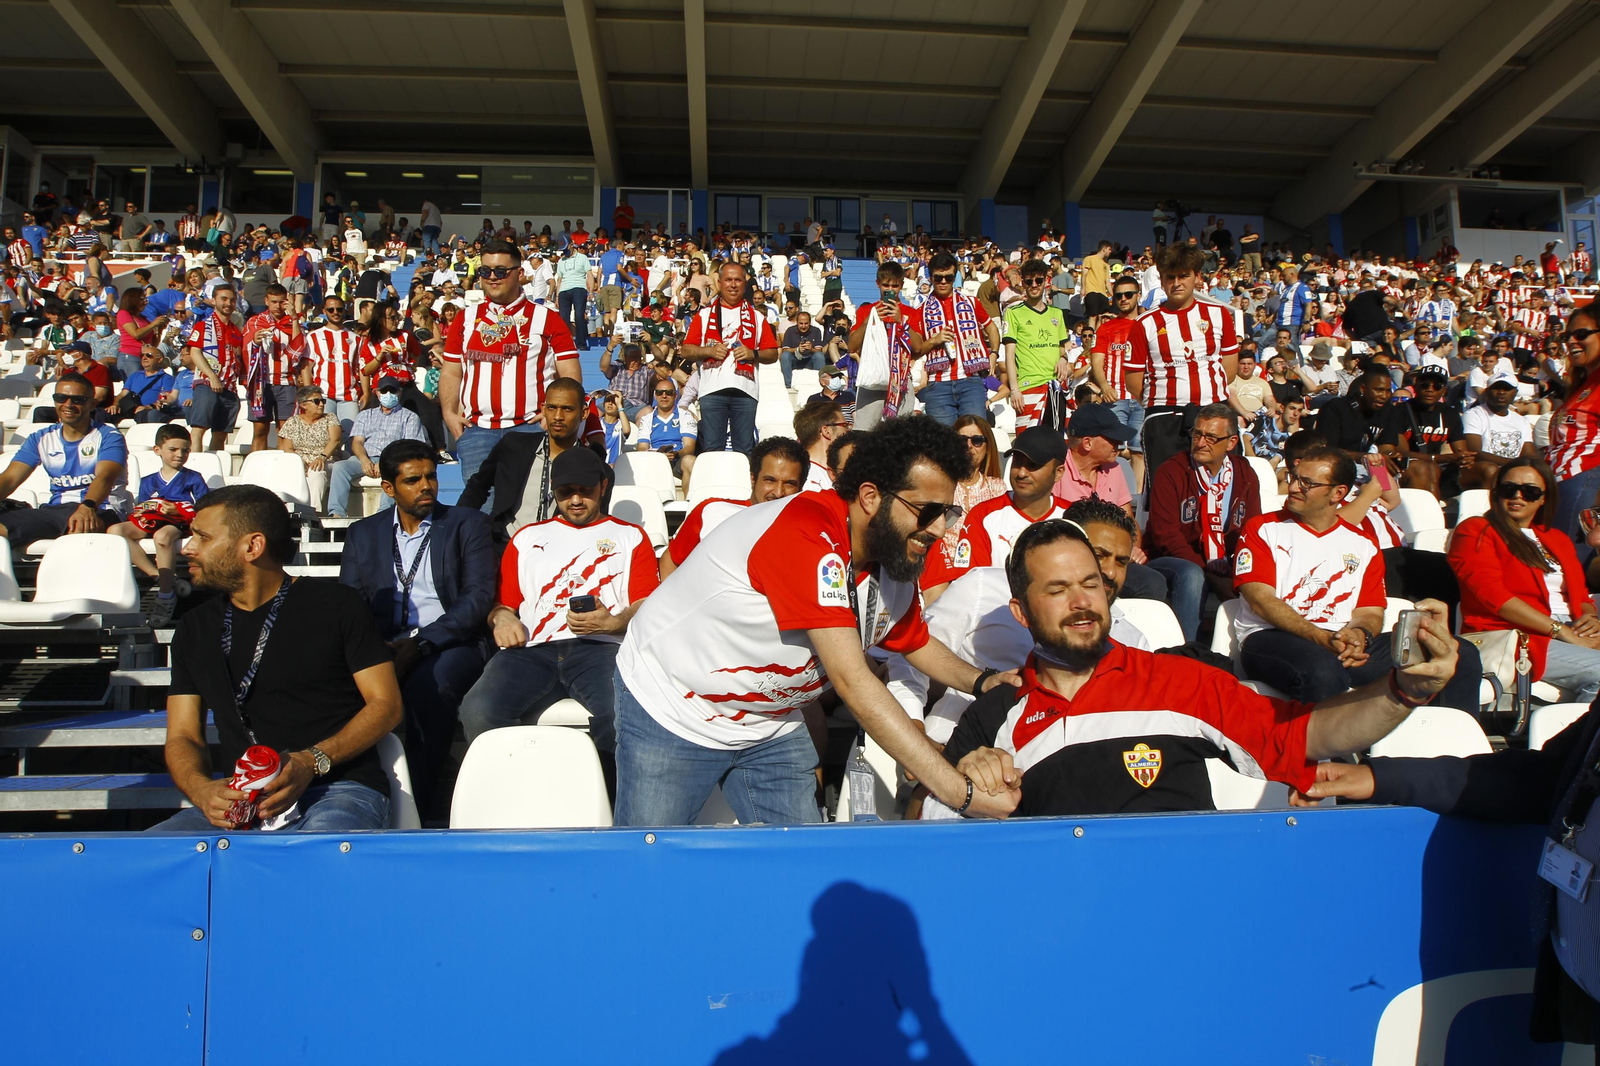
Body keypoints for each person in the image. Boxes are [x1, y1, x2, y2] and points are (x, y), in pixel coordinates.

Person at [613, 416, 1021, 826]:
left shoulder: (893, 551)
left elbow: (913, 641)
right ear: (870, 497)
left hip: (769, 725)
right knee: (647, 859)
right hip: (673, 708)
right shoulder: (806, 531)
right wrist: (960, 794)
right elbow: (852, 682)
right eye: (927, 511)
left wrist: (982, 681)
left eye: (947, 513)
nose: (937, 529)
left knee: (798, 864)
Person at [931, 519, 1462, 817]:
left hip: (1186, 918)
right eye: (1058, 589)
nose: (1083, 602)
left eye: (1091, 583)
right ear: (1021, 612)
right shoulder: (994, 715)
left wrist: (1402, 692)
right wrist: (972, 795)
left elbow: (1306, 736)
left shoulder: (1178, 682)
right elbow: (927, 826)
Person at [153, 485, 401, 832]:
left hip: (336, 788)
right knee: (147, 861)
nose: (188, 548)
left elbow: (386, 705)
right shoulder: (194, 627)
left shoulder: (336, 605)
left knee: (313, 859)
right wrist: (201, 789)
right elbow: (183, 735)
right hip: (241, 802)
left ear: (252, 546)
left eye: (203, 537)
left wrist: (310, 762)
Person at [460, 447, 658, 789]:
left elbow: (647, 603)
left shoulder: (630, 536)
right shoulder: (527, 537)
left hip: (603, 648)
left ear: (603, 486)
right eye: (566, 491)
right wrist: (501, 620)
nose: (576, 499)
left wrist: (612, 623)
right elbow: (503, 604)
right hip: (531, 650)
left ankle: (607, 804)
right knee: (477, 711)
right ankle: (515, 795)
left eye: (585, 490)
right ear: (554, 490)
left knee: (620, 717)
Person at [1234, 446, 1482, 710]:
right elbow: (1260, 599)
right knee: (1323, 670)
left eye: (1306, 483)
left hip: (1340, 642)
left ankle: (1449, 747)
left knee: (1458, 652)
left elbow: (1370, 610)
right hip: (1273, 638)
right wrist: (1321, 637)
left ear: (1338, 493)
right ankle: (1326, 750)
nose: (1294, 487)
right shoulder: (1262, 528)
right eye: (1294, 477)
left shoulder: (1363, 542)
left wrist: (1359, 634)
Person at [339, 440, 495, 815]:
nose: (426, 486)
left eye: (431, 476)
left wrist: (421, 644)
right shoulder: (363, 534)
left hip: (451, 643)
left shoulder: (466, 524)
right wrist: (373, 650)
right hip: (382, 643)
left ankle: (420, 809)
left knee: (430, 688)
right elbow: (349, 603)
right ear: (389, 488)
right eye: (413, 480)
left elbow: (476, 598)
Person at [1447, 457, 1600, 704]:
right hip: (1520, 636)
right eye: (1509, 489)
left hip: (1571, 628)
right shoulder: (1476, 530)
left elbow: (1579, 595)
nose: (1518, 496)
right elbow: (1493, 595)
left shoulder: (1556, 538)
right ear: (1496, 493)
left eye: (1529, 492)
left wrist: (1589, 620)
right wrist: (1561, 631)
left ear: (1543, 499)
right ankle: (1579, 743)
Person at [440, 240, 582, 487]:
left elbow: (569, 376)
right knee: (482, 515)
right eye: (485, 271)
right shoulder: (465, 319)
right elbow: (452, 372)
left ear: (520, 273)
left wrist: (552, 416)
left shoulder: (547, 318)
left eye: (501, 271)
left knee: (531, 511)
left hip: (531, 430)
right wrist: (449, 415)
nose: (492, 277)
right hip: (477, 432)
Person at [1144, 403, 1261, 643]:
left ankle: (1253, 648)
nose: (1199, 442)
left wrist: (1234, 570)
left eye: (1210, 437)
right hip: (1173, 560)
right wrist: (1210, 571)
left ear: (1230, 443)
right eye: (1196, 433)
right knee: (1192, 575)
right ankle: (1188, 653)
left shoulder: (1245, 474)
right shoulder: (1171, 471)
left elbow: (1252, 530)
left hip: (1225, 562)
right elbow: (1166, 537)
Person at [918, 424, 1069, 600]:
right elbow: (972, 587)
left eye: (1032, 465)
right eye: (1017, 462)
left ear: (1058, 472)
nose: (1021, 473)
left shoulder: (1074, 517)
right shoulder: (983, 515)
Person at [1130, 244, 1240, 480]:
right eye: (1170, 277)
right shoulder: (1144, 323)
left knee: (1222, 484)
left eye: (1183, 275)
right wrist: (1166, 399)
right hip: (1164, 417)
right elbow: (1133, 381)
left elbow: (1229, 371)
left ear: (1197, 277)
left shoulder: (1218, 315)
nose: (1177, 283)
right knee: (1167, 489)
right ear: (1161, 280)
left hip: (1213, 412)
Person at [0, 373, 127, 550]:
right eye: (61, 398)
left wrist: (88, 506)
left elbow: (105, 476)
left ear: (92, 403)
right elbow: (10, 478)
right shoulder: (40, 438)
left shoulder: (109, 436)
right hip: (57, 510)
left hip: (101, 509)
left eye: (78, 400)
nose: (68, 404)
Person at [457, 376, 589, 543]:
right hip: (505, 548)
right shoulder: (513, 446)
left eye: (567, 409)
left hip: (560, 553)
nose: (558, 416)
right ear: (543, 409)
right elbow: (477, 487)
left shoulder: (592, 465)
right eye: (551, 407)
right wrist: (455, 528)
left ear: (584, 413)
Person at [659, 436, 809, 580]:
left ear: (800, 487)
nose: (778, 492)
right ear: (753, 479)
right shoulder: (712, 512)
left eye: (789, 483)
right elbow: (671, 560)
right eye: (770, 480)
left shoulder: (808, 529)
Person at [107, 425, 208, 625]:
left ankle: (165, 594)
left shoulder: (193, 478)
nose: (180, 455)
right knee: (115, 531)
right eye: (173, 449)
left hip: (180, 523)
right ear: (157, 450)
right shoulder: (148, 481)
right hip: (153, 522)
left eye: (185, 450)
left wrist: (177, 510)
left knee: (162, 536)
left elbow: (206, 509)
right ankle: (158, 576)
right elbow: (142, 507)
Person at [681, 261, 780, 454]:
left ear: (745, 283)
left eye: (737, 280)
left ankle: (743, 485)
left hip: (746, 391)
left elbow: (773, 353)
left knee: (745, 451)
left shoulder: (757, 317)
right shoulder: (704, 314)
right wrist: (708, 351)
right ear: (719, 283)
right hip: (711, 391)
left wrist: (754, 354)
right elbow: (685, 350)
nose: (733, 284)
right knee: (712, 450)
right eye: (728, 280)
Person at [326, 376, 427, 519]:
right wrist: (363, 460)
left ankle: (383, 515)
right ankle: (337, 513)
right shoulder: (365, 415)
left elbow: (408, 447)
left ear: (400, 393)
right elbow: (357, 442)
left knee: (395, 471)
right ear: (377, 393)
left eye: (393, 391)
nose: (388, 395)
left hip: (394, 459)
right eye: (384, 391)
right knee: (340, 467)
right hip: (366, 458)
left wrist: (386, 461)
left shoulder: (409, 417)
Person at [916, 252, 1000, 425]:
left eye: (949, 277)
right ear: (930, 277)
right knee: (942, 445)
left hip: (971, 381)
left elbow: (991, 328)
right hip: (937, 384)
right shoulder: (921, 311)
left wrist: (994, 354)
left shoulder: (971, 302)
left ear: (955, 277)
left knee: (974, 438)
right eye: (938, 278)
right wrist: (934, 340)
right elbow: (916, 351)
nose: (944, 282)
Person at [848, 260, 924, 429]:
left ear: (902, 285)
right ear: (877, 284)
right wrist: (868, 321)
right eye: (885, 285)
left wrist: (901, 321)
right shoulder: (865, 311)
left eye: (895, 286)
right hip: (872, 376)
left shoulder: (911, 313)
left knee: (902, 434)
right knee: (864, 432)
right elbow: (851, 346)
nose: (890, 290)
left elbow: (918, 348)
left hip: (901, 379)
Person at [1090, 274, 1148, 488]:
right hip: (1115, 398)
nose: (1123, 299)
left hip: (1142, 399)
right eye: (1119, 295)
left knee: (1139, 452)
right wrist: (1104, 387)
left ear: (1138, 296)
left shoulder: (1148, 324)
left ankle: (1137, 501)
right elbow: (1097, 361)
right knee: (1110, 450)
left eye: (1128, 294)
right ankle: (1110, 496)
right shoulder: (1106, 328)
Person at [1001, 258, 1071, 431]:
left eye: (1038, 280)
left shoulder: (1057, 314)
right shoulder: (1013, 313)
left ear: (1045, 282)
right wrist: (1014, 389)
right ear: (1023, 283)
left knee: (1055, 446)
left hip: (1054, 388)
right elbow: (1010, 355)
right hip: (1028, 388)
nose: (1034, 285)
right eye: (1029, 281)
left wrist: (1063, 359)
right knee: (1027, 447)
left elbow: (1063, 350)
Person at [184, 282, 245, 452]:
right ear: (214, 300)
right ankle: (195, 464)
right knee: (198, 429)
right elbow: (195, 353)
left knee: (221, 434)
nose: (228, 303)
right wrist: (211, 376)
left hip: (230, 388)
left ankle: (213, 468)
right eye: (223, 299)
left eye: (232, 300)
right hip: (207, 384)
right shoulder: (203, 325)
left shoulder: (236, 330)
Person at [1052, 405, 1134, 518]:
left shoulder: (1114, 468)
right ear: (1087, 443)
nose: (1119, 443)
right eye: (1112, 438)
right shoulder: (1055, 472)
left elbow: (1130, 525)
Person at [1461, 372, 1536, 488]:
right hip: (1480, 472)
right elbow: (1475, 452)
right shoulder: (1474, 415)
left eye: (1507, 389)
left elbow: (1529, 454)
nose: (1501, 392)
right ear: (1487, 391)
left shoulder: (1522, 421)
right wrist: (1513, 464)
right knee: (1491, 469)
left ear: (1515, 393)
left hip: (1513, 471)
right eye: (1496, 388)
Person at [303, 299, 366, 433]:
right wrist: (309, 393)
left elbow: (362, 368)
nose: (335, 312)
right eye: (331, 310)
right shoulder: (314, 336)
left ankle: (350, 456)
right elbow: (307, 367)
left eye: (339, 309)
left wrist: (366, 393)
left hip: (349, 395)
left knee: (352, 436)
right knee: (322, 436)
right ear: (324, 311)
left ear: (345, 310)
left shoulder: (355, 338)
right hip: (322, 395)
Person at [277, 385, 343, 513]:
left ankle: (313, 512)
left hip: (326, 460)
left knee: (316, 471)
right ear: (303, 405)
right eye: (316, 401)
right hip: (301, 461)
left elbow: (335, 439)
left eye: (322, 401)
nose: (321, 405)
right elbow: (287, 448)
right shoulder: (292, 422)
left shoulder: (330, 418)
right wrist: (300, 461)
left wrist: (321, 457)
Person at [633, 374, 696, 485]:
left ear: (675, 396)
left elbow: (689, 447)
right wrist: (658, 456)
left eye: (669, 392)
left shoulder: (685, 416)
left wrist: (675, 454)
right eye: (659, 393)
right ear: (655, 396)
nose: (664, 396)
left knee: (690, 461)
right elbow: (642, 448)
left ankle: (689, 501)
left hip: (678, 460)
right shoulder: (647, 419)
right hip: (653, 460)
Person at [793, 399, 849, 493]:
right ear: (826, 431)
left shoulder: (836, 471)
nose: (848, 431)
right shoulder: (804, 478)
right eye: (845, 425)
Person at [115, 347, 181, 423]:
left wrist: (149, 406)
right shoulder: (134, 376)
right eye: (142, 355)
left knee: (144, 414)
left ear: (159, 359)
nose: (144, 358)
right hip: (129, 410)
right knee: (104, 414)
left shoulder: (166, 379)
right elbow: (123, 394)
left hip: (149, 410)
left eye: (149, 355)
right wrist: (115, 404)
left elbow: (165, 398)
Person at [600, 340, 653, 420]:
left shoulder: (645, 369)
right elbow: (603, 367)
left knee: (648, 412)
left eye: (639, 357)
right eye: (634, 357)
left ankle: (639, 433)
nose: (637, 360)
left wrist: (650, 343)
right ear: (626, 357)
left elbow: (660, 358)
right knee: (593, 412)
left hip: (635, 406)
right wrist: (610, 347)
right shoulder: (617, 366)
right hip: (613, 403)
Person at [779, 310, 825, 390]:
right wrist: (797, 349)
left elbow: (819, 350)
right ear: (797, 322)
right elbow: (785, 350)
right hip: (795, 359)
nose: (803, 326)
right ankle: (788, 385)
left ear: (810, 322)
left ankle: (821, 384)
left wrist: (811, 349)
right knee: (785, 356)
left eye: (806, 323)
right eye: (801, 323)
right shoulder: (790, 331)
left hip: (810, 359)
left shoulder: (816, 331)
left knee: (819, 356)